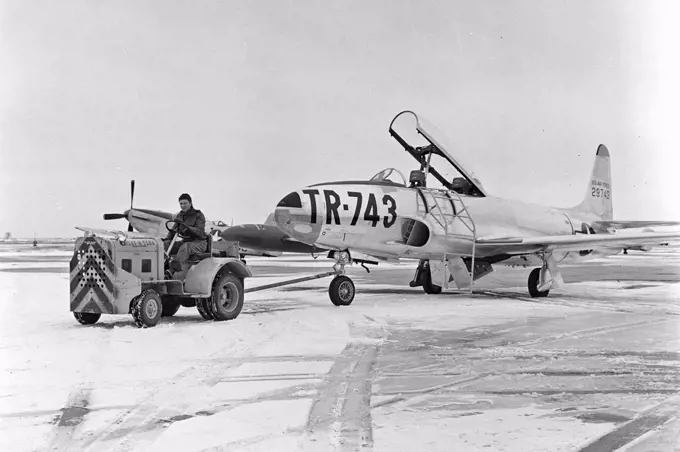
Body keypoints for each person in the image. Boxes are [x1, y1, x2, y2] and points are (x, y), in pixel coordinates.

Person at [163, 193, 208, 278]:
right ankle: (161, 267)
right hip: (185, 242)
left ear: (190, 203)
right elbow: (173, 231)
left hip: (199, 243)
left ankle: (171, 271)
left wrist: (188, 228)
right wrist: (166, 240)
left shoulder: (198, 215)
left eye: (185, 203)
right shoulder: (180, 216)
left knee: (185, 247)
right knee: (164, 245)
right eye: (181, 204)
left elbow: (200, 232)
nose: (182, 206)